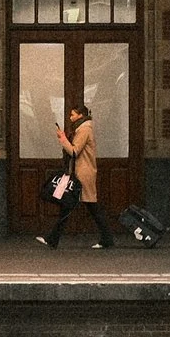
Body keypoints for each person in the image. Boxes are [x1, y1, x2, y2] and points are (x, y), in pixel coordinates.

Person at [43, 102, 115, 249]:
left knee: (81, 205)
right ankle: (53, 238)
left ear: (80, 115)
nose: (70, 117)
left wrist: (62, 138)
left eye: (73, 114)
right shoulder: (84, 128)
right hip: (81, 172)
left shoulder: (84, 130)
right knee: (77, 205)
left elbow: (74, 151)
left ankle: (53, 238)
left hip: (82, 174)